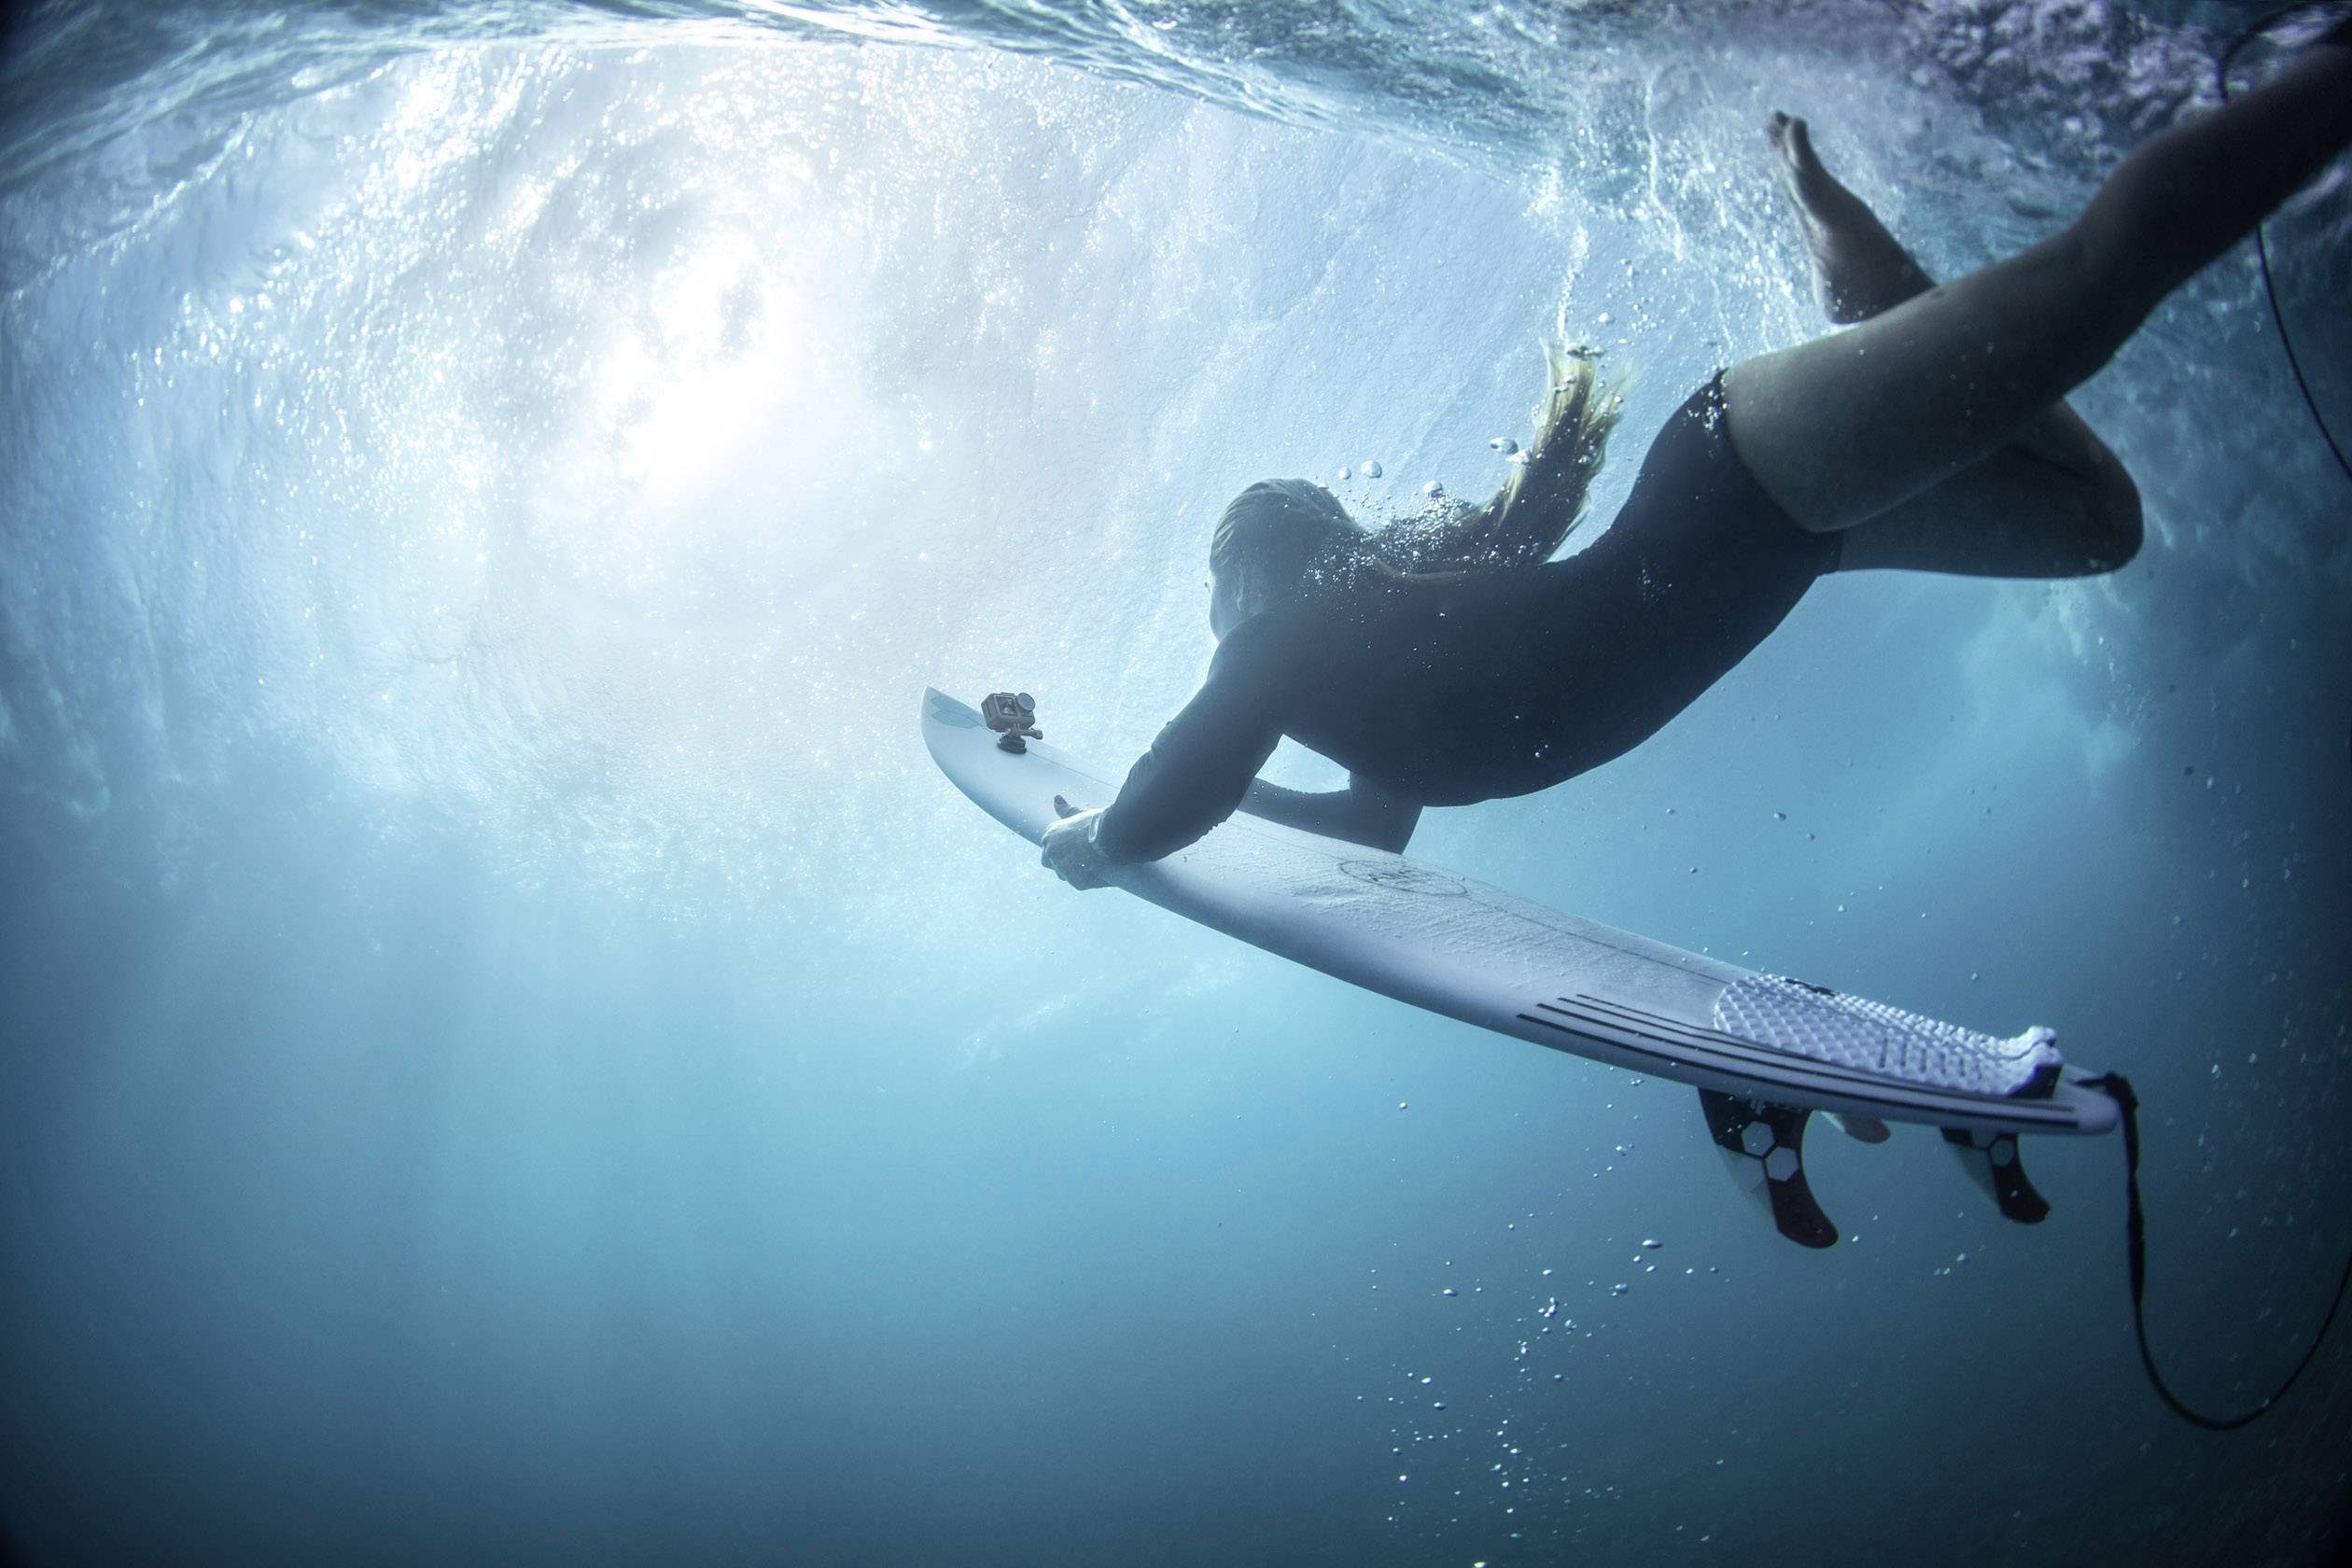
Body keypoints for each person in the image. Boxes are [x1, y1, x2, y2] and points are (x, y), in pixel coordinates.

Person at [1043, 23, 2352, 889]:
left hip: (1749, 475)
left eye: (1213, 590)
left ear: (1250, 567)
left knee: (2092, 282)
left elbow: (1181, 784)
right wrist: (1182, 814)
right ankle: (1885, 305)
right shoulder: (1367, 684)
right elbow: (1358, 828)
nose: (1210, 622)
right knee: (2095, 526)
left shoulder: (1284, 635)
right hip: (1792, 536)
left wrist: (1108, 837)